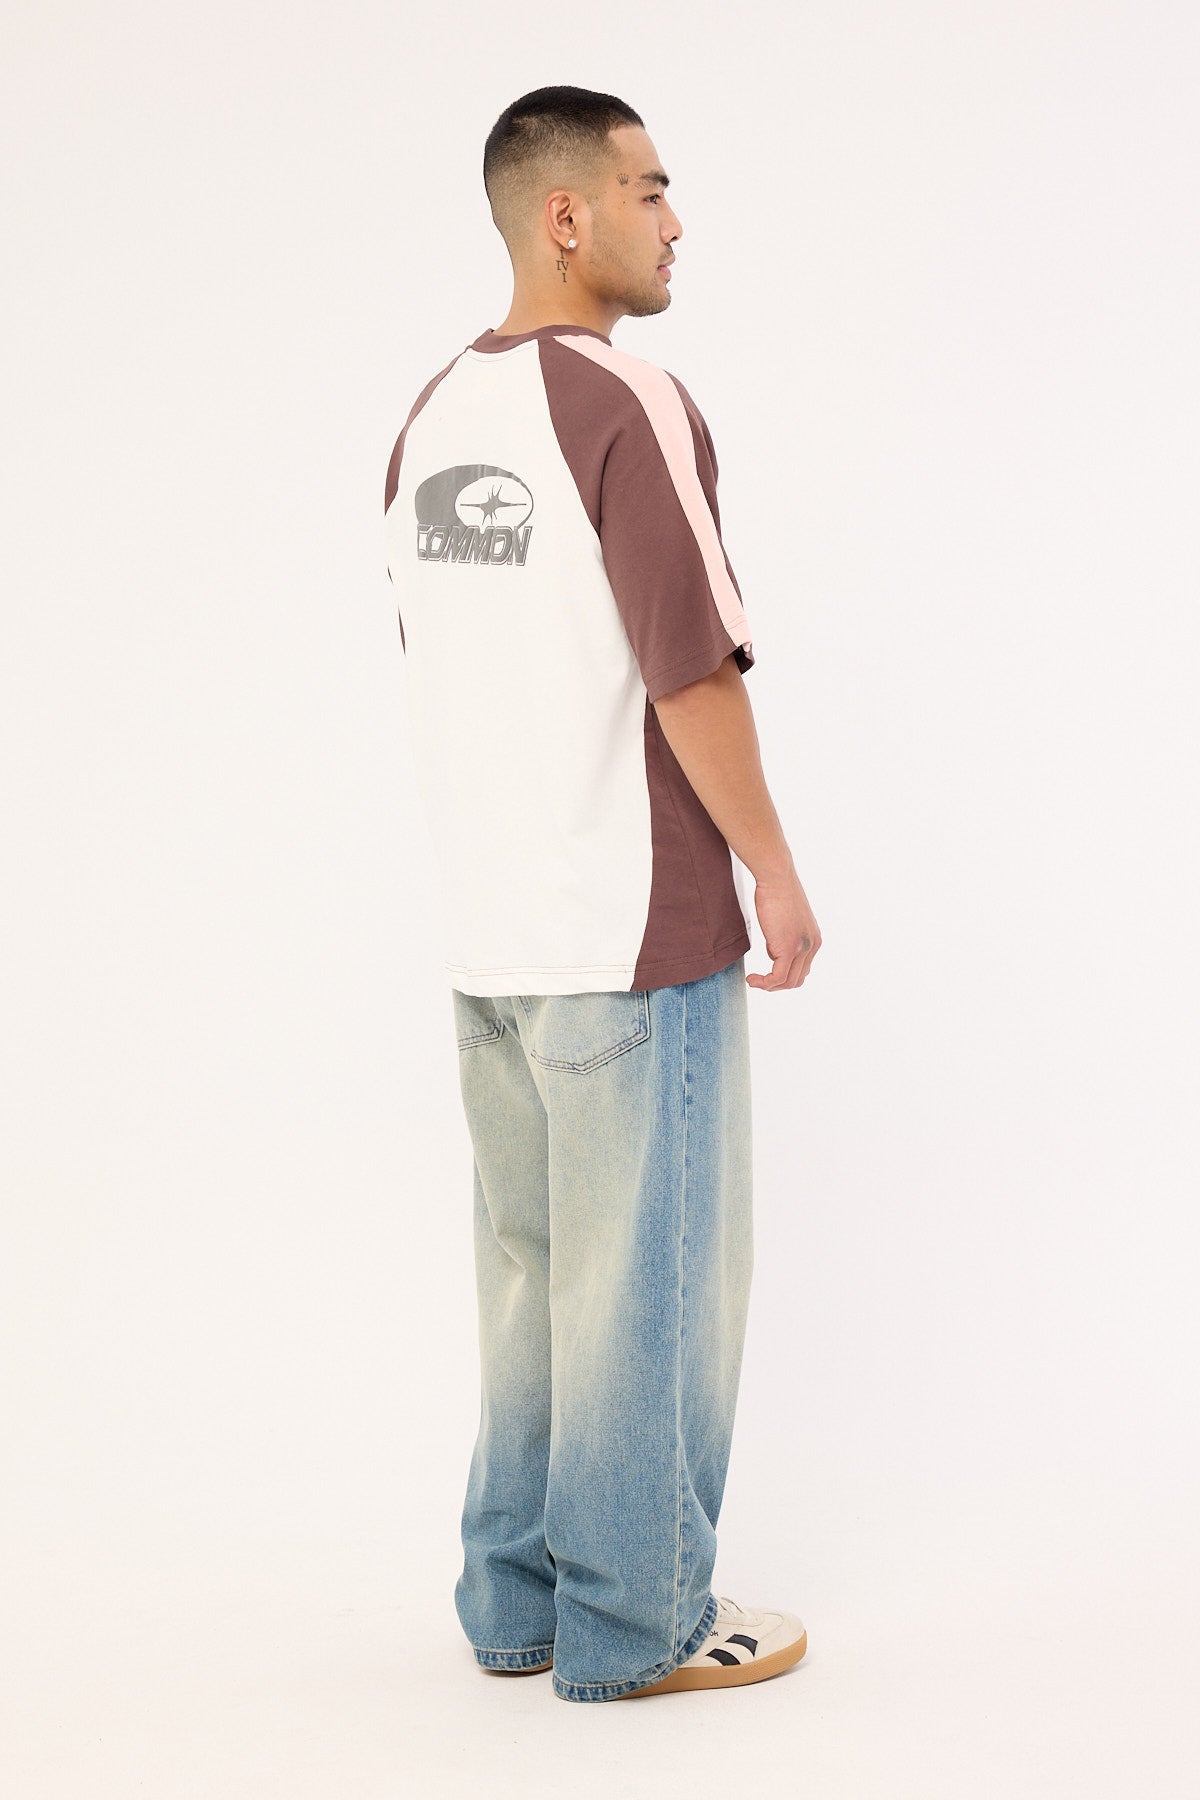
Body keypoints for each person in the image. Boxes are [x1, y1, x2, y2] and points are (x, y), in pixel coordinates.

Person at [381, 84, 821, 1704]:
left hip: (491, 935)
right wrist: (772, 867)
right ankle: (637, 1625)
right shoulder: (627, 401)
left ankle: (517, 1603)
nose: (674, 220)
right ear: (565, 217)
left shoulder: (431, 416)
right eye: (648, 189)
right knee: (648, 1291)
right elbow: (689, 668)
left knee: (531, 1280)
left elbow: (451, 660)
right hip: (633, 935)